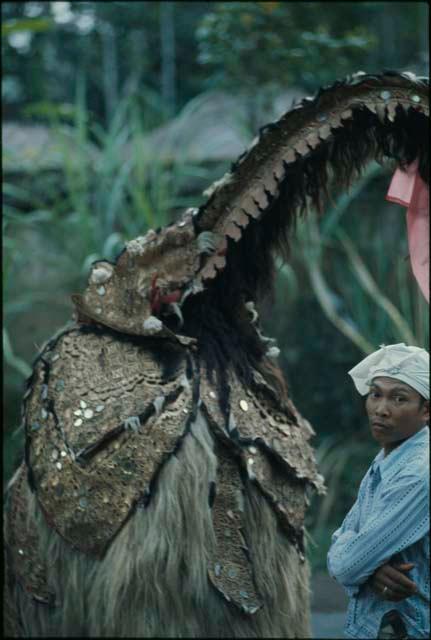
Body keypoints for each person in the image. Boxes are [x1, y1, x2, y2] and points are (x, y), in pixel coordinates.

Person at [327, 343, 430, 640]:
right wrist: (370, 569)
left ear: (426, 410)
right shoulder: (389, 457)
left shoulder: (417, 472)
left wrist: (363, 565)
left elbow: (347, 567)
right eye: (375, 394)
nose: (381, 410)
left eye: (399, 398)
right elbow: (346, 535)